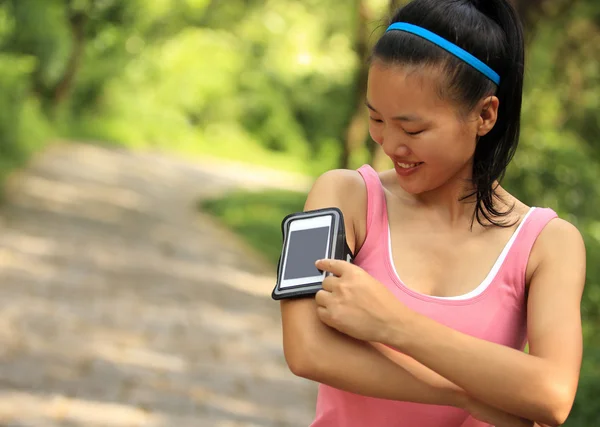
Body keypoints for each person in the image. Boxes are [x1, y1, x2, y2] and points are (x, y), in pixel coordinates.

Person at [279, 0, 586, 426]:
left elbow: (552, 394)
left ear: (484, 115)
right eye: (376, 119)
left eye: (413, 129)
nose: (390, 144)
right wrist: (466, 396)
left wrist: (394, 324)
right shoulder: (338, 194)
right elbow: (305, 350)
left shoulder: (548, 243)